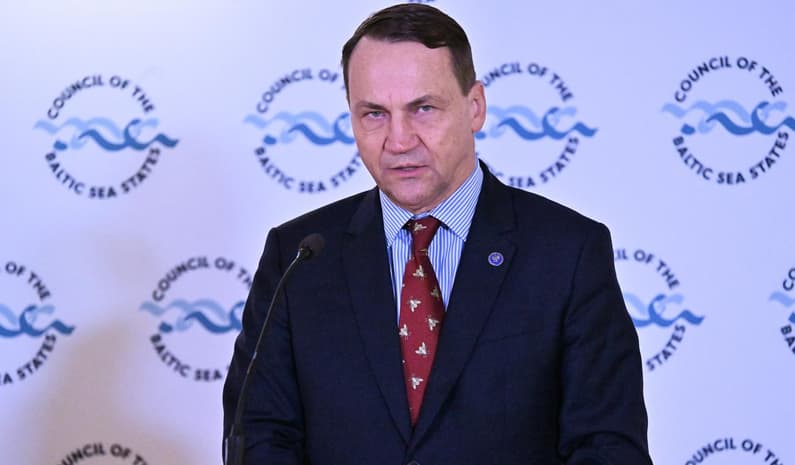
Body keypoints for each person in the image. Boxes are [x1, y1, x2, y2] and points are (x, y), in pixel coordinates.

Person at [223, 3, 652, 464]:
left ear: (475, 107)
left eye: (423, 108)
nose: (399, 140)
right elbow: (260, 437)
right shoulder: (300, 257)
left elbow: (608, 447)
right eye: (374, 114)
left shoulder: (567, 253)